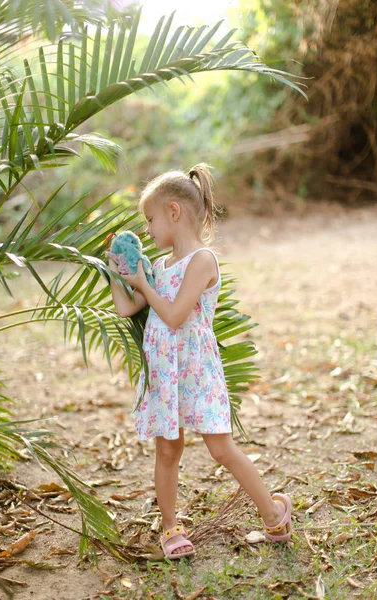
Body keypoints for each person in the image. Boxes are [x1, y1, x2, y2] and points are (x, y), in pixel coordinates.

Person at [108, 164, 293, 559]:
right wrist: (118, 274)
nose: (148, 230)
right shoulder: (158, 266)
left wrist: (143, 283)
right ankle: (171, 530)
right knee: (167, 453)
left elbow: (175, 315)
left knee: (222, 449)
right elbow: (127, 308)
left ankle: (274, 514)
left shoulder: (203, 261)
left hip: (196, 372)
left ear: (174, 212)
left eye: (151, 219)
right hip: (164, 373)